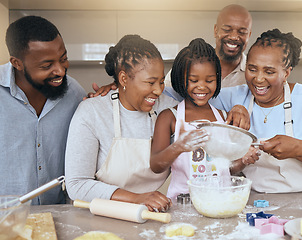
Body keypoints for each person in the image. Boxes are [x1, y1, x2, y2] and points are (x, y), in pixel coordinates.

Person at [65, 35, 178, 212]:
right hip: (104, 216)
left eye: (161, 82)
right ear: (124, 79)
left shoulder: (169, 109)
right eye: (150, 82)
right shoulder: (92, 112)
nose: (158, 90)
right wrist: (136, 199)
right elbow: (77, 185)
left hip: (158, 215)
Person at [216, 29, 302, 193]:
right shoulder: (232, 97)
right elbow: (190, 101)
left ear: (286, 73)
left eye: (269, 72)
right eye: (252, 69)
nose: (259, 79)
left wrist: (297, 148)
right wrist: (235, 108)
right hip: (255, 203)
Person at [163, 4, 302, 106]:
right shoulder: (190, 65)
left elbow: (279, 87)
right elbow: (164, 96)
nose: (234, 37)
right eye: (227, 29)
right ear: (216, 30)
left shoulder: (254, 75)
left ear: (249, 35)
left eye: (242, 32)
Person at [150, 38, 251, 200]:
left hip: (222, 201)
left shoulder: (224, 117)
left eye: (209, 80)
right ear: (179, 79)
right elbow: (156, 165)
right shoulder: (170, 117)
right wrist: (179, 146)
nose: (202, 86)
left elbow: (227, 169)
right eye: (193, 80)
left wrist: (244, 160)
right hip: (184, 204)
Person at [0, 16, 86, 205]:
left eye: (63, 59)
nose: (61, 71)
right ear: (17, 63)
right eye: (47, 66)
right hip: (6, 219)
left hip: (57, 215)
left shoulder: (74, 93)